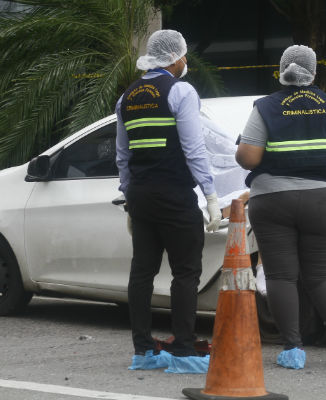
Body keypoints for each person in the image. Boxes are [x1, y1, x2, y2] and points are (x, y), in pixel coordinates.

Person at [235, 45, 326, 370]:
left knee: (280, 275)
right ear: (314, 73)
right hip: (323, 200)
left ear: (281, 71)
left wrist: (241, 152)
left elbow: (248, 157)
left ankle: (293, 349)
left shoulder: (266, 106)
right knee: (321, 276)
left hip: (273, 200)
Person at [115, 29, 221, 374]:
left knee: (142, 272)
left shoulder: (127, 97)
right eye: (184, 56)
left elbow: (122, 155)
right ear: (175, 58)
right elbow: (193, 148)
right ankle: (184, 350)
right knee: (186, 272)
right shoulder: (180, 91)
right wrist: (210, 195)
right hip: (174, 193)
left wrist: (130, 197)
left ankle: (143, 351)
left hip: (141, 195)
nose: (186, 61)